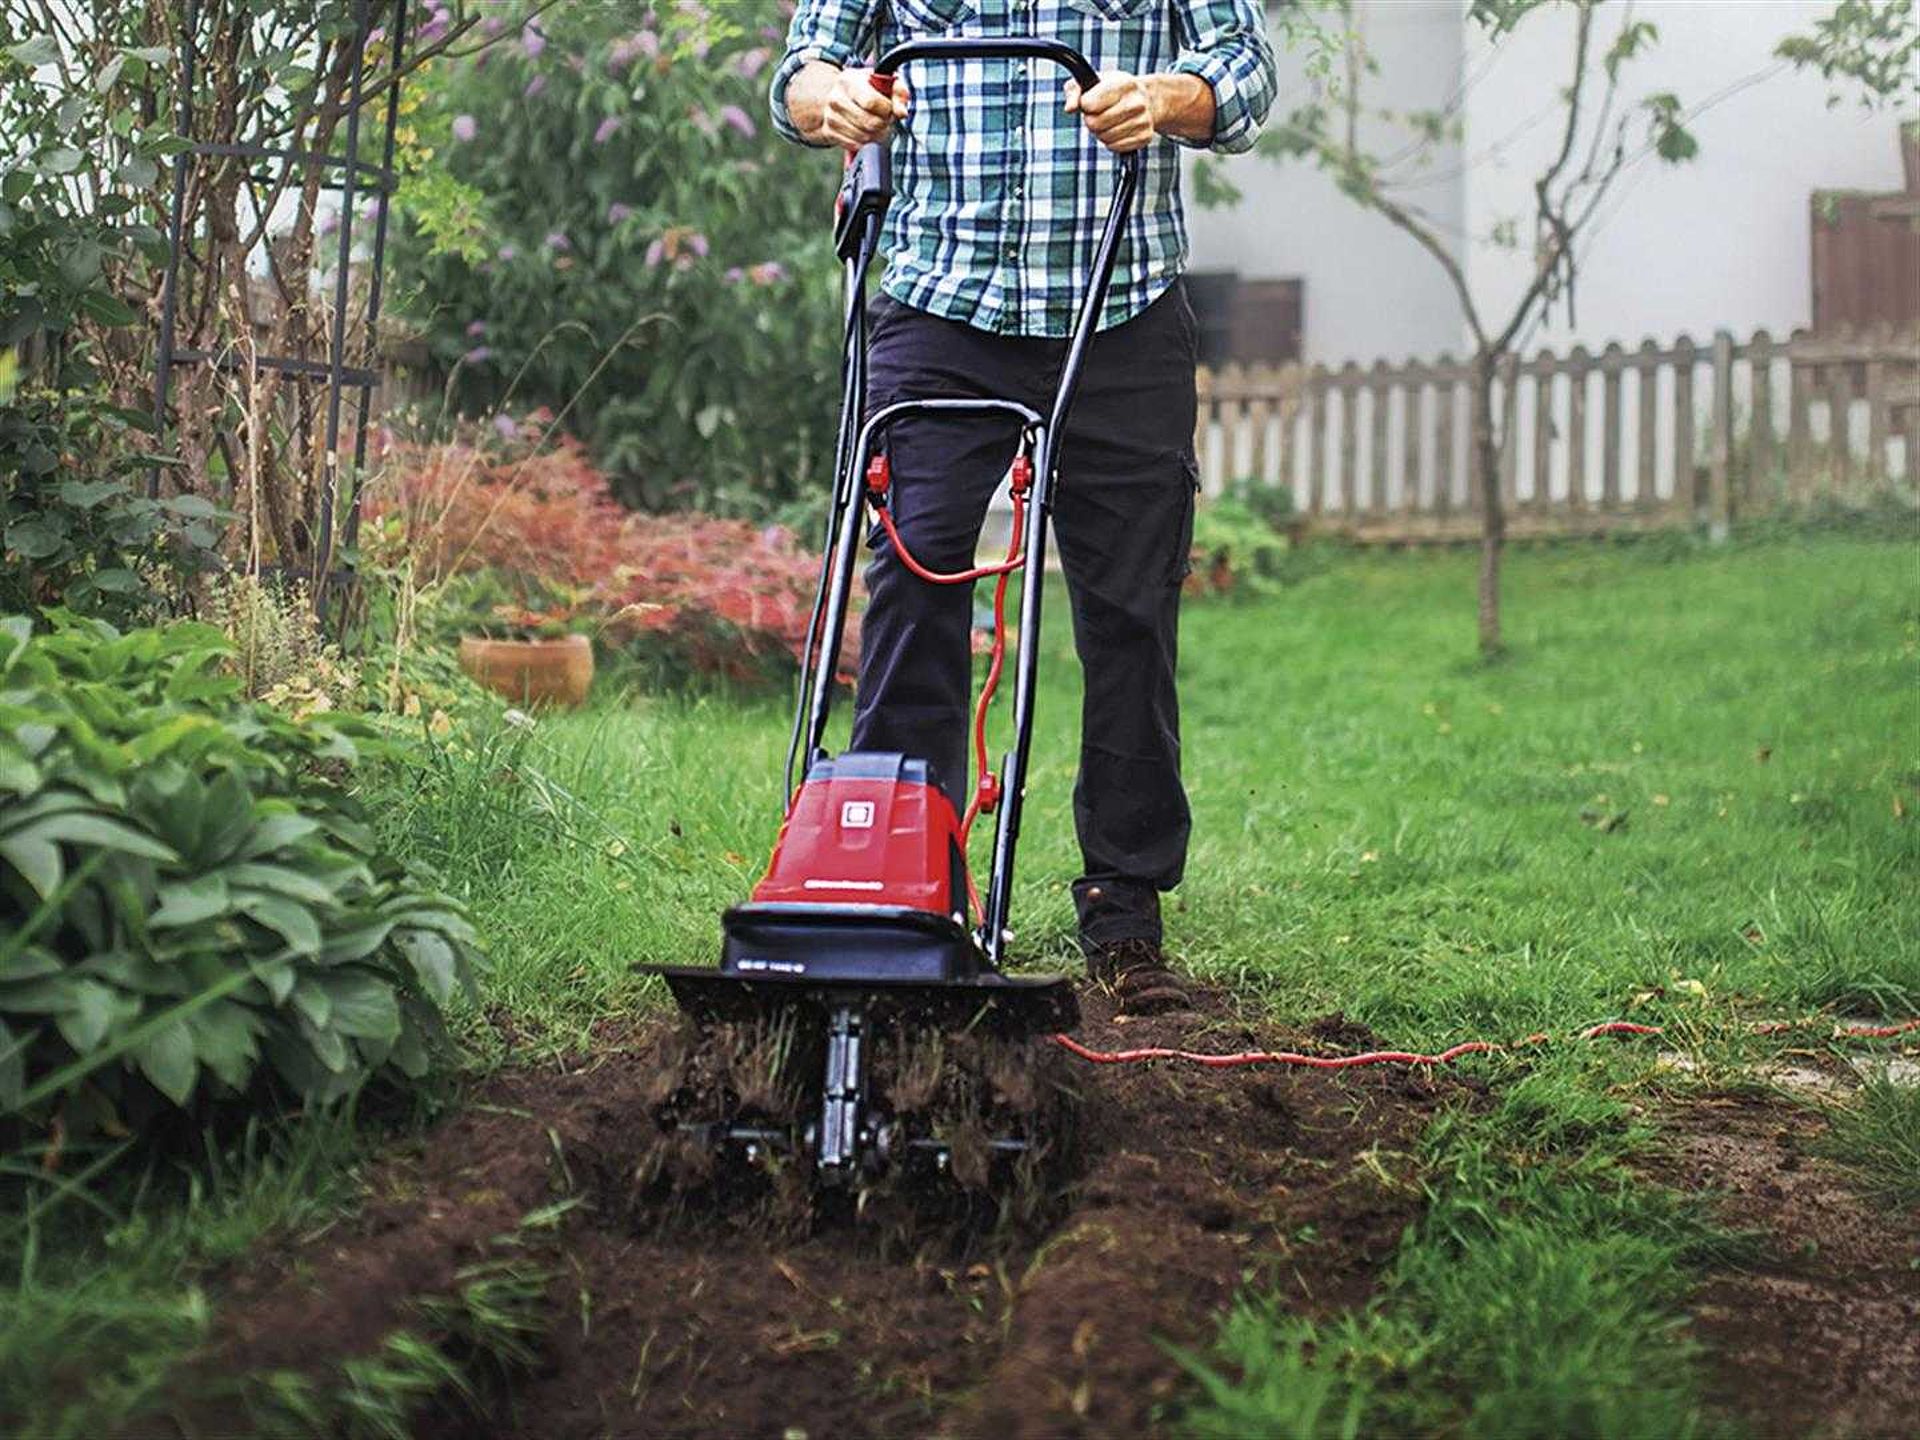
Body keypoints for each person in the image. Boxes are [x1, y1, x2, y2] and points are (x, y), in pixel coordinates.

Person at [770, 0, 1275, 1014]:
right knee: (916, 586)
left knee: (1130, 611)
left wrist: (1161, 99)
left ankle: (1125, 912)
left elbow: (1246, 68)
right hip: (938, 295)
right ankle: (909, 893)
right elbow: (801, 71)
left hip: (1120, 296)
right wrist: (835, 101)